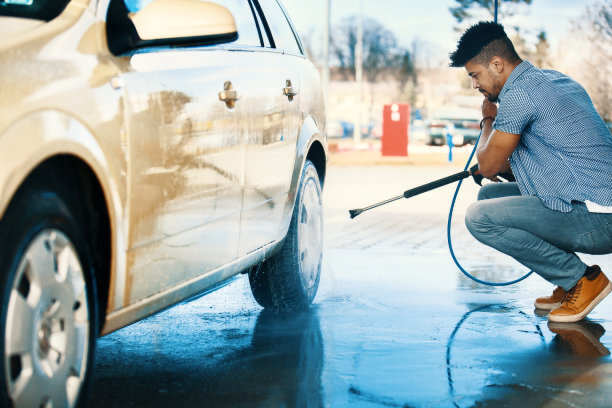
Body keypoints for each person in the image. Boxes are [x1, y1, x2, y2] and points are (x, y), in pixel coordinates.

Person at [449, 21, 612, 323]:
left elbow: (488, 166)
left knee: (479, 217)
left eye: (475, 75)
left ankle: (581, 279)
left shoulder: (518, 96)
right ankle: (569, 282)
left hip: (598, 218)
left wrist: (487, 120)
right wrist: (509, 168)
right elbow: (552, 158)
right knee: (489, 194)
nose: (475, 85)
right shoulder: (551, 80)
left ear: (496, 64)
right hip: (594, 204)